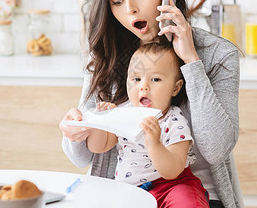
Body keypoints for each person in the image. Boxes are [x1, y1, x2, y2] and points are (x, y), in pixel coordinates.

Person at [60, 0, 243, 208]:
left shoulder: (218, 54)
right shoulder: (106, 54)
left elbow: (216, 149)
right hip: (123, 189)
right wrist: (74, 132)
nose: (130, 9)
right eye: (117, 1)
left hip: (194, 193)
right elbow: (82, 157)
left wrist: (191, 60)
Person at [86, 42, 209, 207]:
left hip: (172, 186)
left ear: (175, 88)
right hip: (131, 191)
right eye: (136, 79)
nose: (143, 86)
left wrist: (154, 143)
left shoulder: (173, 119)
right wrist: (101, 122)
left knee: (187, 202)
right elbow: (97, 147)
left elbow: (172, 170)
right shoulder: (123, 113)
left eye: (156, 79)